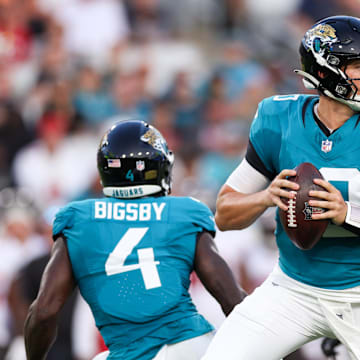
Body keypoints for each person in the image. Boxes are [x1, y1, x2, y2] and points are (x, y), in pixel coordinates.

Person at [201, 15, 360, 360]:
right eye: (356, 66)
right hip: (293, 289)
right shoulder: (280, 120)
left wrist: (346, 212)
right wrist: (266, 196)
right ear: (325, 71)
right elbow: (225, 214)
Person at [24, 119, 247, 360]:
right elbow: (231, 298)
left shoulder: (77, 219)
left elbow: (44, 311)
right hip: (191, 346)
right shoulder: (185, 211)